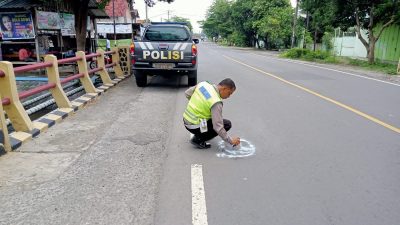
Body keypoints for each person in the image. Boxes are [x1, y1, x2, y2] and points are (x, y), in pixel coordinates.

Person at [183, 78, 241, 149]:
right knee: (226, 124)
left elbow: (187, 93)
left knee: (213, 118)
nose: (229, 96)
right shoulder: (215, 101)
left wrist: (197, 104)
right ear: (224, 88)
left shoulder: (203, 84)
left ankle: (200, 134)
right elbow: (218, 127)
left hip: (186, 120)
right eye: (229, 93)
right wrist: (231, 141)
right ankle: (198, 139)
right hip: (194, 126)